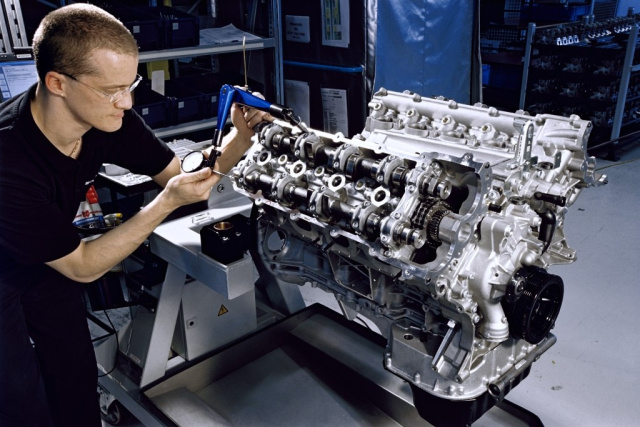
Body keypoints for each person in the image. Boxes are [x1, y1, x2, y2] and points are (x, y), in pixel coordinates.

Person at [0, 4, 265, 426]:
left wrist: (240, 139)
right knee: (18, 398)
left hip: (49, 253)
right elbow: (83, 267)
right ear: (57, 83)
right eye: (112, 90)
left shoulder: (109, 119)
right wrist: (165, 203)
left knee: (74, 373)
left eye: (131, 84)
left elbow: (179, 176)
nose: (127, 102)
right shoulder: (9, 158)